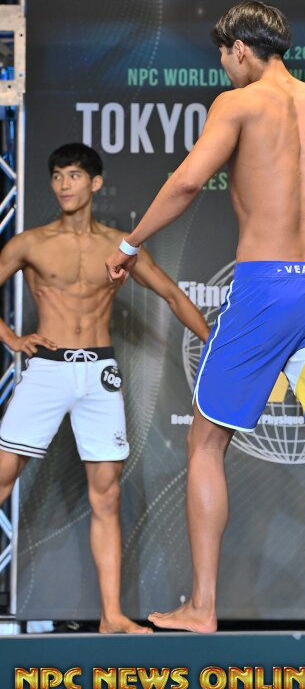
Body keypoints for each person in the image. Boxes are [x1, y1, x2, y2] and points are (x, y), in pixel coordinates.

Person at [106, 0, 305, 633]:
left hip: (264, 289)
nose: (224, 68)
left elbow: (187, 183)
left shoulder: (239, 104)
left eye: (223, 57)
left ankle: (203, 607)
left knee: (205, 442)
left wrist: (131, 243)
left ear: (240, 49)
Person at [0, 143, 210, 634]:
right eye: (56, 175)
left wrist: (213, 344)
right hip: (47, 369)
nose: (63, 184)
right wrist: (10, 338)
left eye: (73, 175)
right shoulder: (29, 243)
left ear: (95, 183)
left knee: (107, 496)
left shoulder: (119, 247)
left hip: (99, 374)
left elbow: (171, 293)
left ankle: (112, 616)